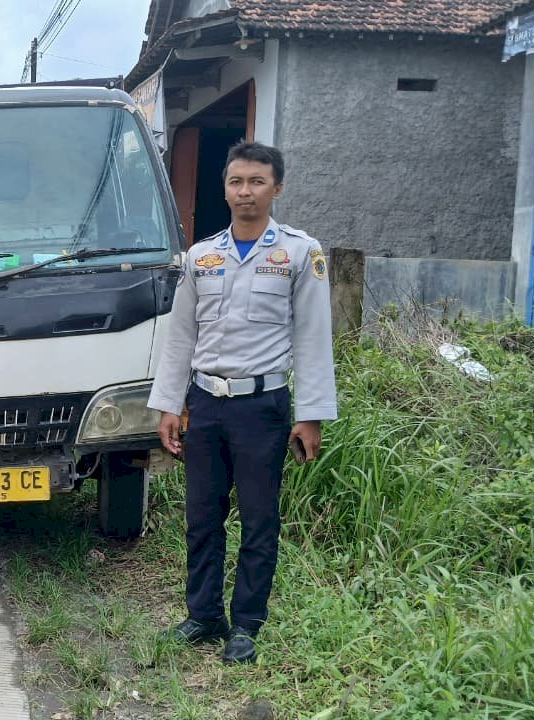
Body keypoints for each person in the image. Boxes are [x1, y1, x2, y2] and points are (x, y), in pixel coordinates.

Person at [147, 142, 337, 664]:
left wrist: (310, 417)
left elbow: (313, 338)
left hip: (262, 407)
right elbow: (180, 337)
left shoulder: (299, 253)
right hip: (206, 406)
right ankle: (203, 615)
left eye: (257, 182)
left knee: (258, 519)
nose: (245, 192)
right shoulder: (201, 256)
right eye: (236, 182)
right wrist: (169, 405)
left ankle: (247, 625)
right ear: (225, 188)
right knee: (202, 516)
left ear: (277, 188)